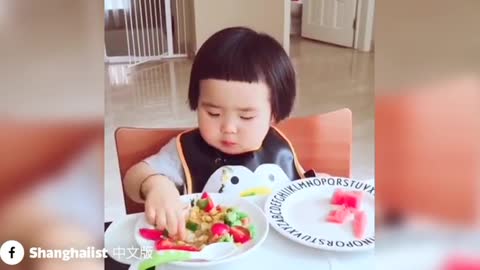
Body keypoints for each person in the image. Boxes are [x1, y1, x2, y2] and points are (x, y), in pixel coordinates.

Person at [124, 27, 307, 240]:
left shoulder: (279, 145)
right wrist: (156, 185)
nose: (228, 127)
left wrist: (319, 184)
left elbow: (301, 187)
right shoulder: (186, 149)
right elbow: (133, 177)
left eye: (246, 117)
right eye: (213, 113)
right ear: (197, 103)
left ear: (274, 114)